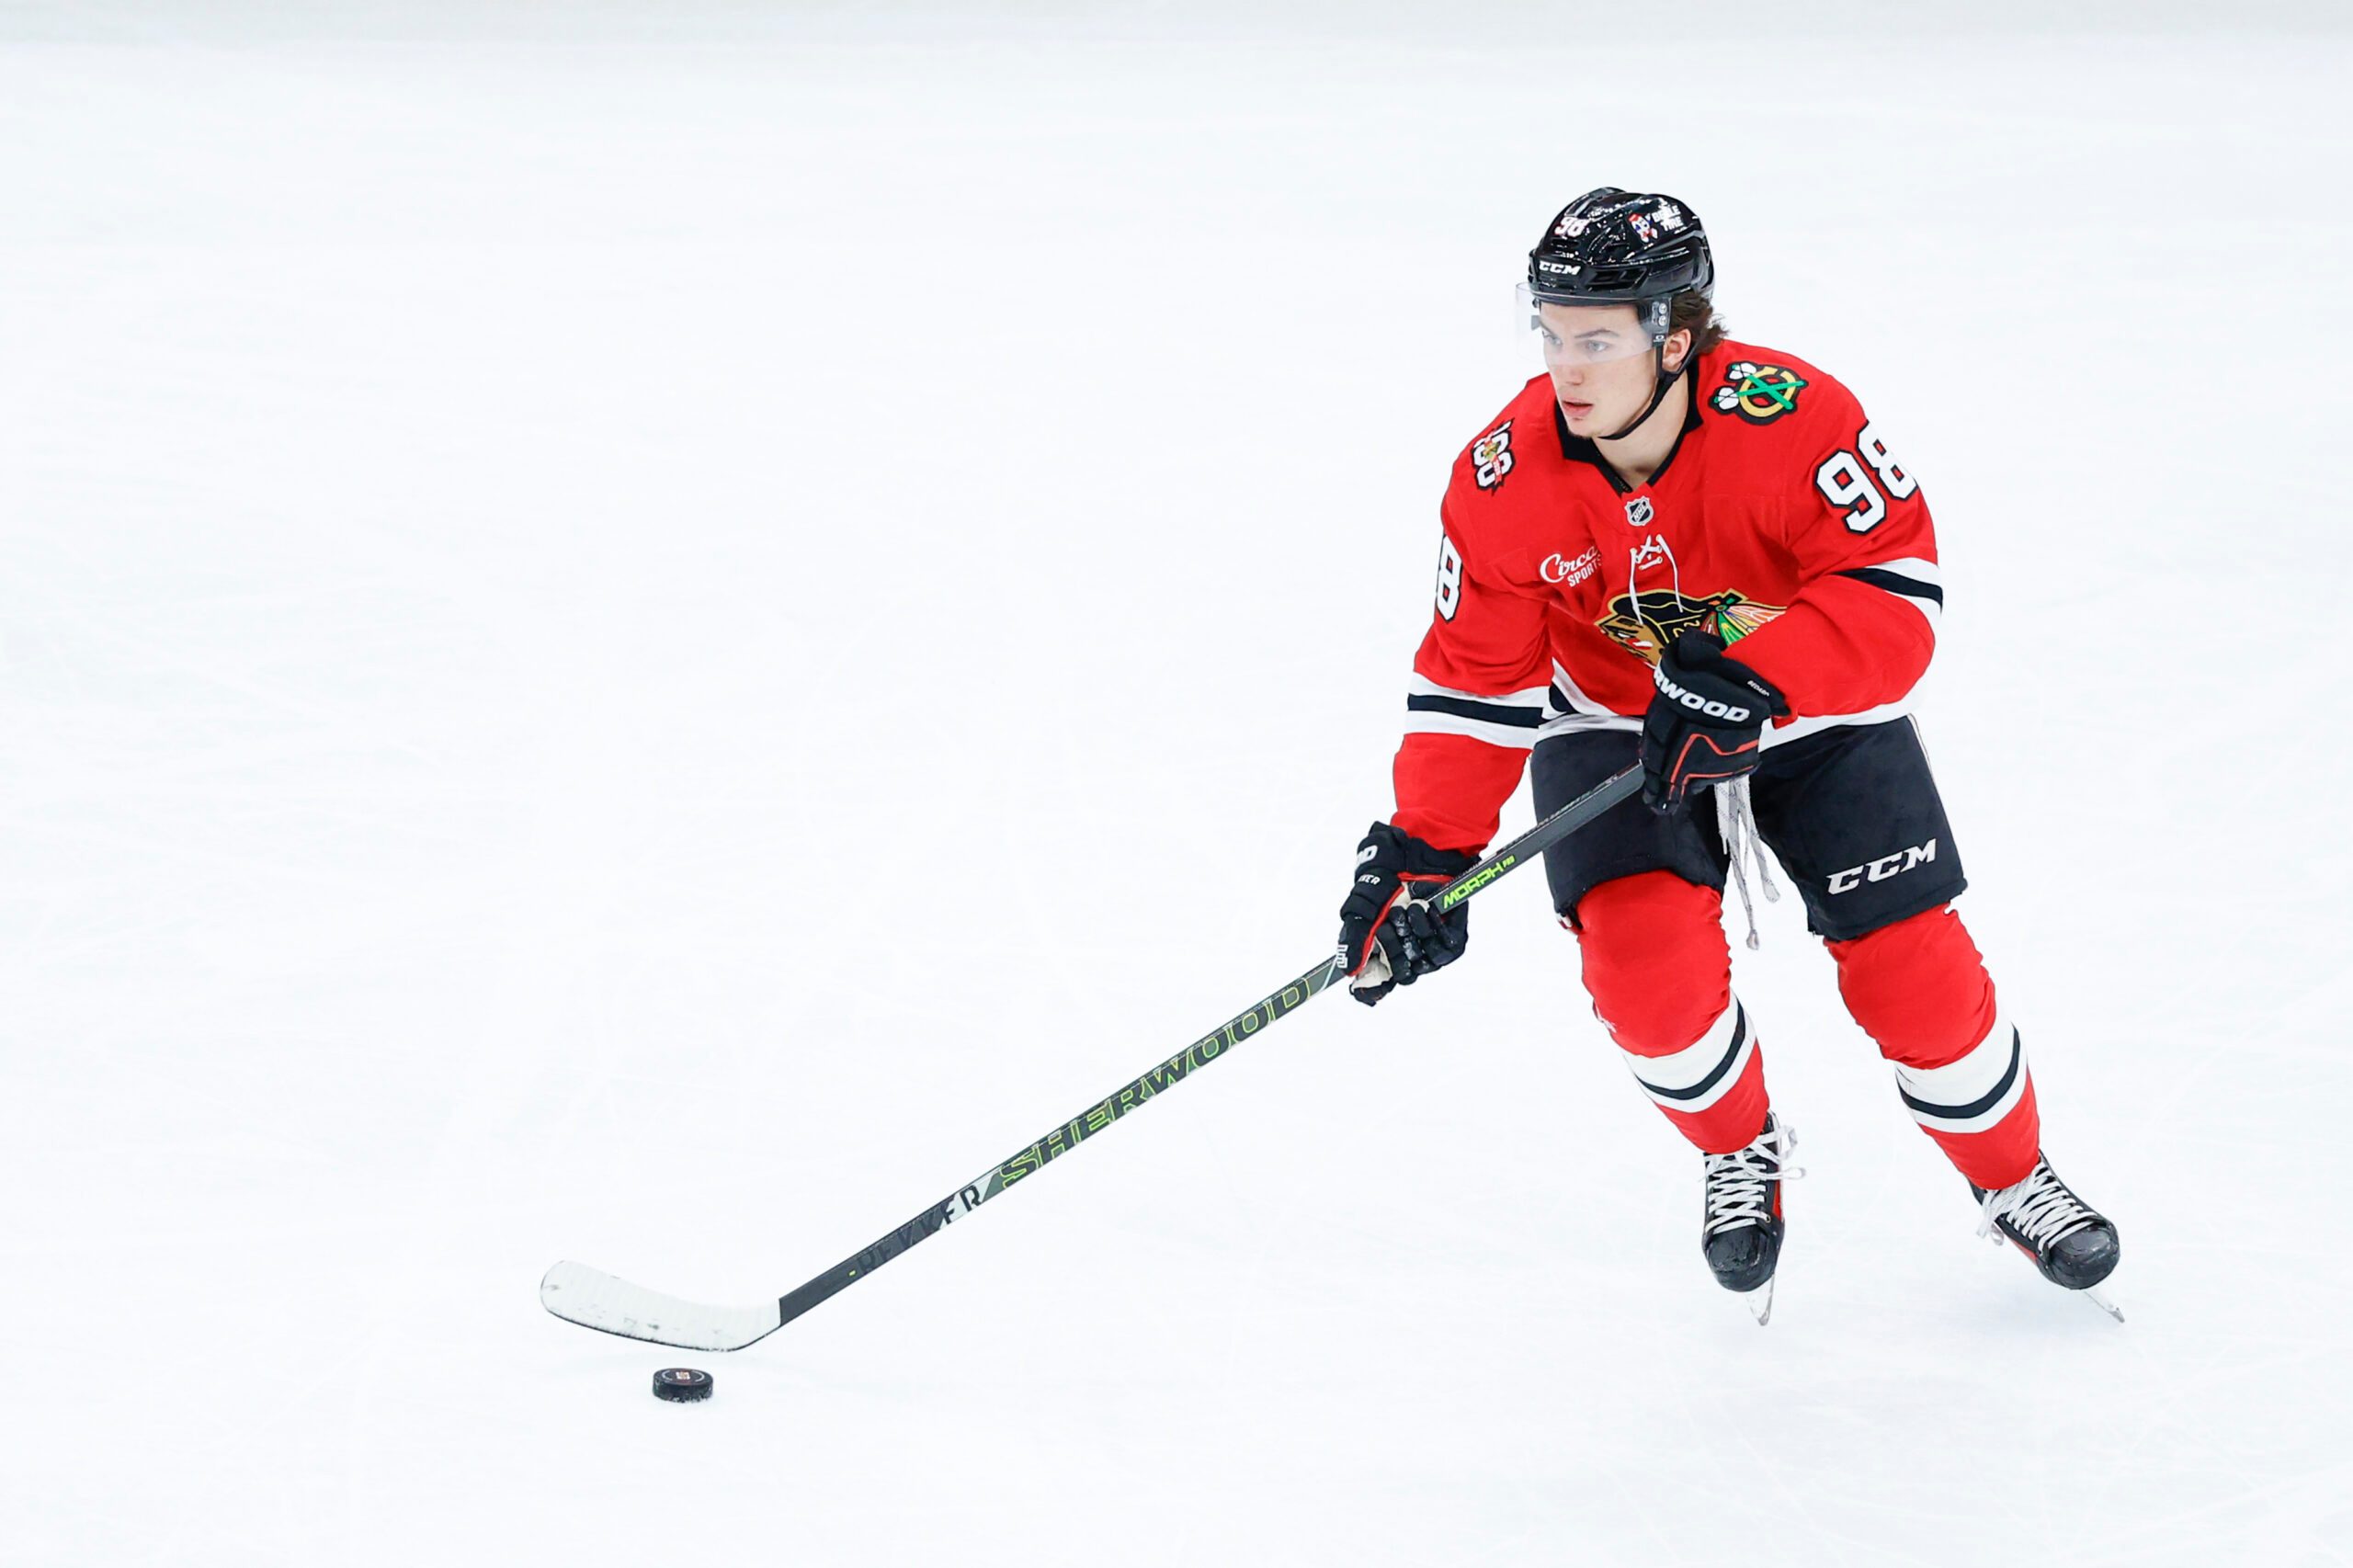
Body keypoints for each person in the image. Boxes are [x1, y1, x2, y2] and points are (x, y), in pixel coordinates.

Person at [1336, 187, 2118, 1317]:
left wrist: (1765, 676)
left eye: (1597, 338)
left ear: (1677, 333)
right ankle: (1736, 1149)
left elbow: (1898, 595)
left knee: (1915, 971)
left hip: (1807, 706)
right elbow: (1471, 677)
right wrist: (1422, 848)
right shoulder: (1501, 477)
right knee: (1643, 976)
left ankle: (2015, 1177)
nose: (1565, 366)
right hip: (1613, 722)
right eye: (1550, 332)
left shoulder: (1793, 415)